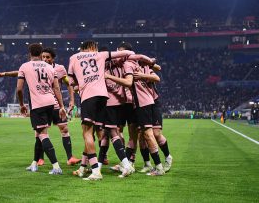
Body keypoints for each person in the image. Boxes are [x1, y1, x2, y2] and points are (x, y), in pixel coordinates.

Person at [68, 40, 136, 181]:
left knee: (88, 133)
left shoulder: (74, 57)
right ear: (93, 47)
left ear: (83, 48)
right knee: (107, 133)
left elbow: (70, 81)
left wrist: (79, 84)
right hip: (104, 97)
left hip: (89, 97)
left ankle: (95, 170)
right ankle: (89, 167)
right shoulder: (102, 55)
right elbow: (127, 53)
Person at [105, 42, 165, 176]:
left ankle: (159, 167)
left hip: (142, 103)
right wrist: (151, 63)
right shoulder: (138, 62)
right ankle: (133, 163)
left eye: (120, 52)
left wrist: (108, 77)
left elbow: (128, 82)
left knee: (148, 135)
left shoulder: (128, 64)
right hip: (142, 102)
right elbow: (155, 67)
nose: (117, 54)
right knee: (141, 135)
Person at [17, 43, 66, 175]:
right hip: (51, 103)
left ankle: (56, 166)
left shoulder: (25, 66)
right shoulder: (50, 67)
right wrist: (61, 106)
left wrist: (22, 105)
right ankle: (34, 164)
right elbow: (57, 88)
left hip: (37, 104)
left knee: (42, 134)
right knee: (39, 133)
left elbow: (19, 89)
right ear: (40, 54)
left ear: (29, 53)